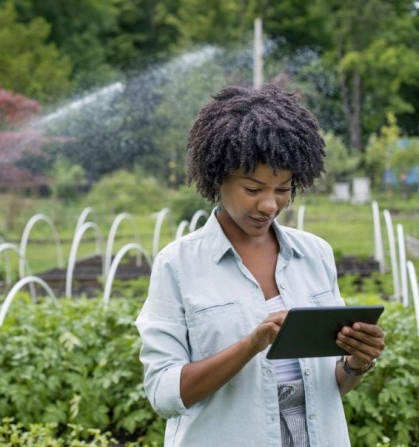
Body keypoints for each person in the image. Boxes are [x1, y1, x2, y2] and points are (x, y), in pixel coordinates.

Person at [135, 84, 386, 446]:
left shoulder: (315, 255)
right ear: (217, 178)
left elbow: (328, 387)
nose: (270, 204)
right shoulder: (177, 265)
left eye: (282, 189)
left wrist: (357, 361)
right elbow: (163, 393)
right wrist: (251, 344)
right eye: (253, 189)